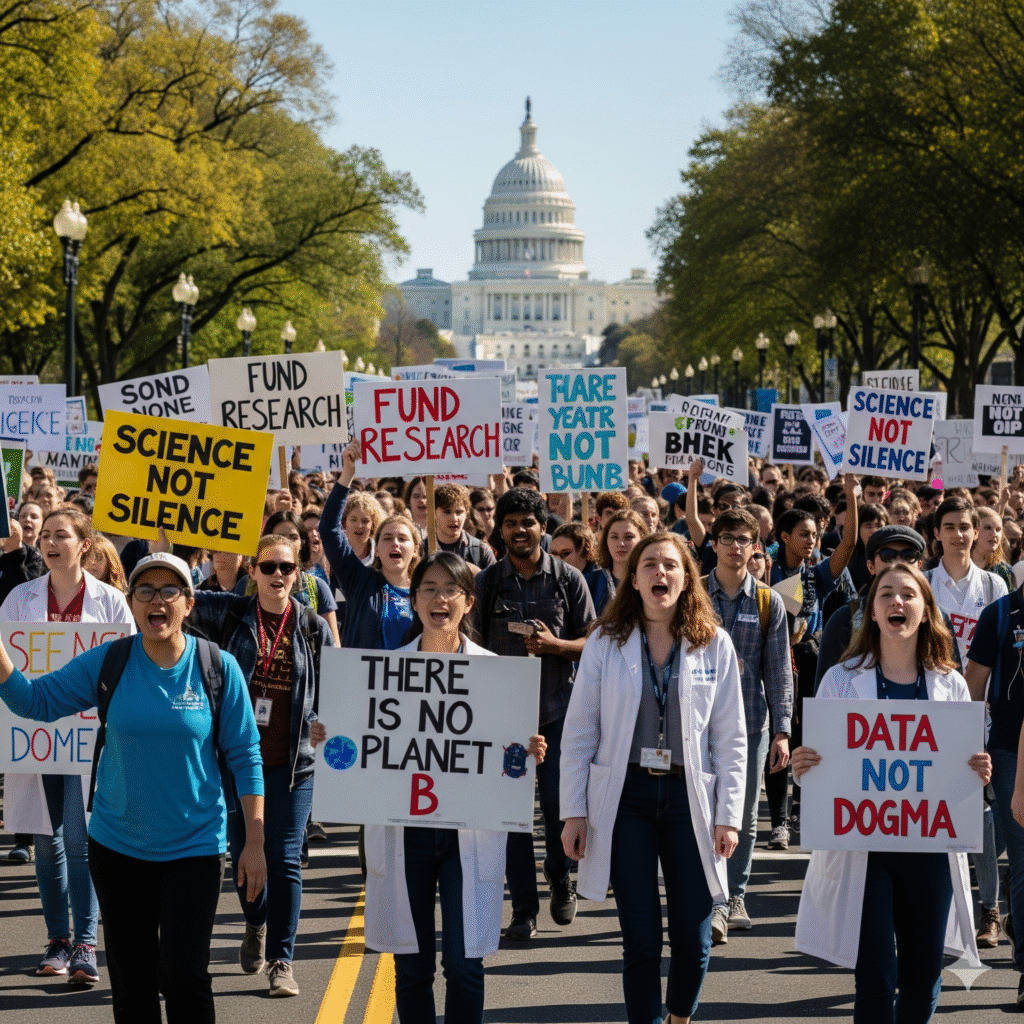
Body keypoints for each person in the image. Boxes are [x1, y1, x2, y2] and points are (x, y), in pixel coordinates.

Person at [0, 550, 266, 1022]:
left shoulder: (217, 667)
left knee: (185, 977)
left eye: (169, 590)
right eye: (145, 590)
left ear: (188, 602)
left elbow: (245, 756)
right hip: (118, 849)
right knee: (133, 984)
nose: (156, 600)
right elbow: (35, 702)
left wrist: (255, 842)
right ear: (132, 600)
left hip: (196, 849)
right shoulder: (110, 662)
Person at [323, 551, 545, 1024]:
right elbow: (358, 750)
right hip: (408, 836)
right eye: (428, 589)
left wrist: (525, 753)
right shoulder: (385, 675)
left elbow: (505, 764)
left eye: (450, 590)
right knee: (412, 968)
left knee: (464, 966)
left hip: (469, 837)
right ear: (414, 599)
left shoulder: (497, 675)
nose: (438, 599)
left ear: (468, 602)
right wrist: (331, 735)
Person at [561, 532, 746, 1024]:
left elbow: (731, 738)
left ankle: (679, 1016)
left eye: (670, 565)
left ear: (687, 578)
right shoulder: (605, 640)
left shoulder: (714, 643)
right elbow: (580, 731)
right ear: (634, 578)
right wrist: (574, 811)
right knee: (640, 938)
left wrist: (728, 817)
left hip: (691, 799)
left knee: (695, 937)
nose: (659, 573)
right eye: (649, 565)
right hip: (627, 799)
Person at [793, 563, 990, 1024]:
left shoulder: (951, 683)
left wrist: (977, 771)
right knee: (876, 975)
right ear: (873, 613)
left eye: (907, 595)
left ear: (925, 611)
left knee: (922, 978)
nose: (896, 602)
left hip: (930, 849)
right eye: (885, 595)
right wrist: (805, 768)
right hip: (865, 849)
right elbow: (823, 769)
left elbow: (963, 767)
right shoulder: (842, 680)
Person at [188, 533, 335, 997]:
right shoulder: (229, 614)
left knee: (284, 859)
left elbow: (339, 689)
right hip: (234, 761)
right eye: (267, 567)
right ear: (252, 572)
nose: (277, 576)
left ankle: (281, 960)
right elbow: (175, 594)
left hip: (294, 764)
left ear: (298, 573)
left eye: (286, 568)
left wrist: (324, 723)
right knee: (244, 856)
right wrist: (167, 543)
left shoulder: (313, 627)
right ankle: (255, 924)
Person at [1, 506, 133, 986]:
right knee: (44, 839)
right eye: (46, 538)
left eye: (62, 536)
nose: (52, 544)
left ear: (86, 545)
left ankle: (85, 943)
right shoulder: (19, 599)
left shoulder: (112, 603)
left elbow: (124, 667)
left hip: (88, 739)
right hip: (34, 735)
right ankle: (57, 940)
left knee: (79, 842)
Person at [474, 486, 596, 941]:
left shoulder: (568, 579)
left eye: (528, 523)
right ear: (499, 530)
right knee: (512, 817)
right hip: (503, 719)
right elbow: (470, 645)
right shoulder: (487, 583)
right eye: (510, 524)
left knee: (560, 808)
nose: (520, 531)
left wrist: (555, 647)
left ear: (542, 527)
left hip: (558, 712)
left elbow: (592, 643)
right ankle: (523, 909)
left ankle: (560, 876)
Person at [702, 507, 792, 937]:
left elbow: (778, 671)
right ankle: (707, 895)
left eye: (744, 540)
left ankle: (734, 894)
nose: (736, 547)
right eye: (728, 538)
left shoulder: (767, 600)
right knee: (701, 810)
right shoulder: (694, 595)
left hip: (751, 724)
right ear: (714, 543)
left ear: (756, 546)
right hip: (698, 722)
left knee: (741, 812)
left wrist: (783, 730)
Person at [322, 441, 419, 650]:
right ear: (378, 545)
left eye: (402, 539)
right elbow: (329, 530)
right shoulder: (360, 581)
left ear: (416, 548)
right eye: (387, 538)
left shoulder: (425, 591)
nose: (395, 543)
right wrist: (347, 474)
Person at [235, 510, 340, 647]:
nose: (285, 542)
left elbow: (333, 649)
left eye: (292, 537)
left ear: (302, 542)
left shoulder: (318, 587)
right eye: (279, 536)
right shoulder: (247, 583)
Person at [927, 495, 1007, 665]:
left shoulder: (995, 585)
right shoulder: (922, 583)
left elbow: (1001, 645)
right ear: (937, 533)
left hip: (978, 688)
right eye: (949, 527)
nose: (958, 534)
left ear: (975, 532)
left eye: (964, 527)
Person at [421, 483, 497, 572]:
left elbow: (496, 584)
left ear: (466, 513)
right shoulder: (421, 550)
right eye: (447, 512)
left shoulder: (482, 550)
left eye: (459, 512)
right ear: (434, 513)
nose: (454, 518)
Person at [586, 509, 649, 615]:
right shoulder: (590, 582)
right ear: (606, 541)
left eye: (628, 537)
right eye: (614, 537)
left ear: (642, 539)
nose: (621, 543)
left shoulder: (651, 579)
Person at [973, 506, 1015, 592]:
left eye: (998, 529)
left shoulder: (1004, 571)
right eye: (988, 528)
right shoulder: (956, 567)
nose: (994, 534)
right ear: (974, 531)